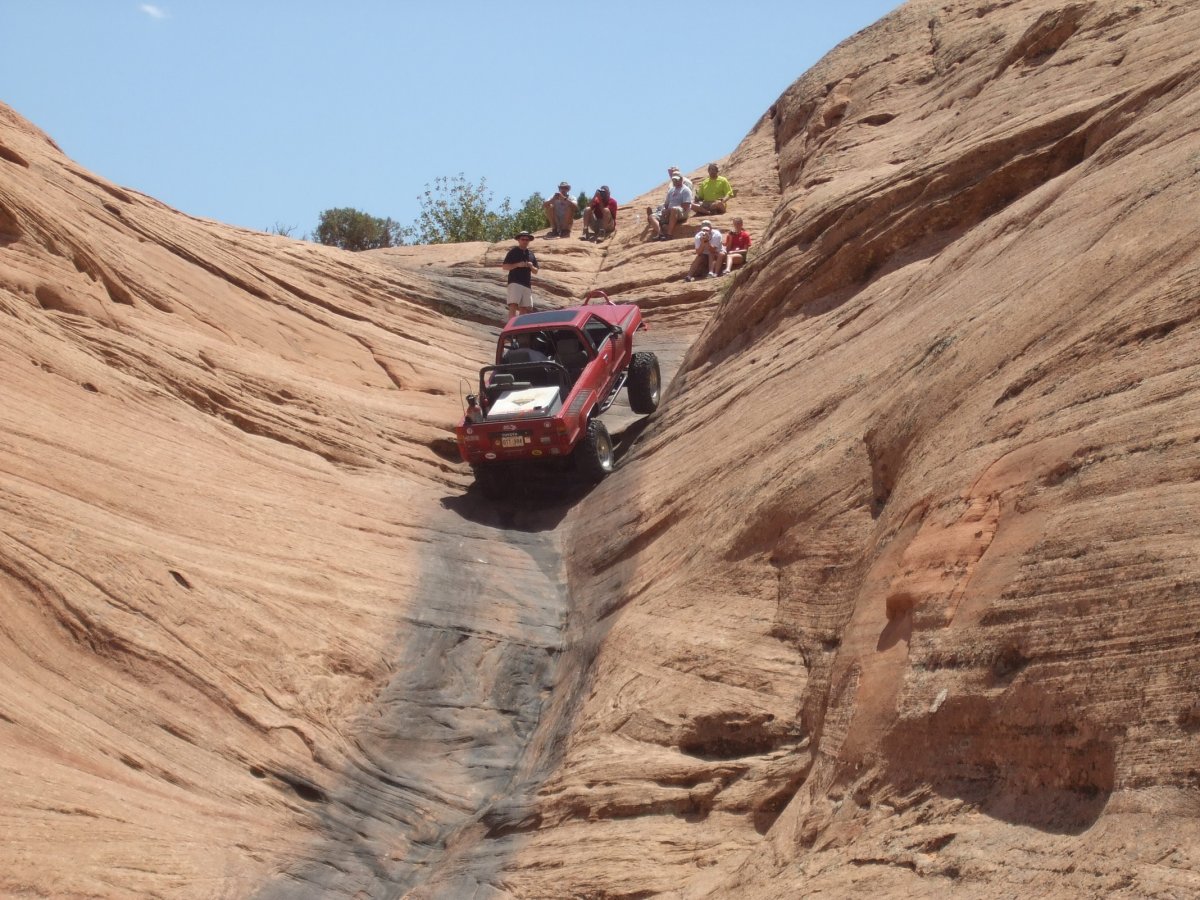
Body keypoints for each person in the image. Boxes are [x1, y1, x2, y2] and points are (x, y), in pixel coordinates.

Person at [501, 231, 539, 321]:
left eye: (527, 239)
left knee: (524, 308)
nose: (525, 241)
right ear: (518, 240)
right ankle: (511, 328)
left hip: (526, 284)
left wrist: (531, 266)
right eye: (523, 239)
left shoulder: (531, 254)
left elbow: (536, 271)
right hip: (515, 282)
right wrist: (517, 265)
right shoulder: (513, 252)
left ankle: (519, 329)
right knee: (513, 305)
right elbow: (505, 266)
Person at [645, 173, 693, 241]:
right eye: (673, 180)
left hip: (682, 212)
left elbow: (686, 205)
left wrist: (669, 210)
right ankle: (660, 234)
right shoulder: (671, 190)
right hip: (671, 211)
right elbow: (666, 203)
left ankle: (669, 234)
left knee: (674, 209)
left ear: (681, 179)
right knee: (652, 216)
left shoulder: (685, 190)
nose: (675, 181)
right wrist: (665, 210)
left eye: (676, 180)